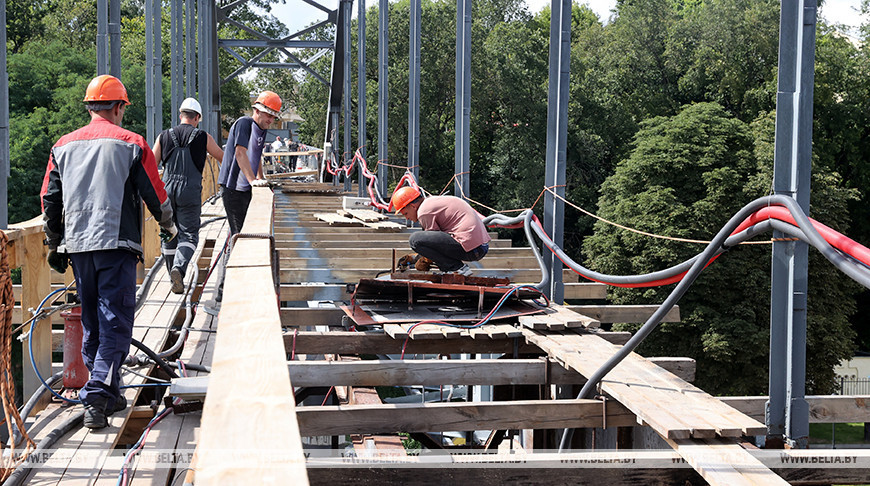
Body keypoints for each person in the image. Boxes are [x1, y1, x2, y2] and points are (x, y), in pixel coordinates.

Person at [40, 74, 176, 429]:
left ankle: (108, 390)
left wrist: (54, 241)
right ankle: (98, 395)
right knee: (115, 320)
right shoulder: (131, 143)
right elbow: (155, 193)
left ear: (89, 107)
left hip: (79, 247)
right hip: (116, 244)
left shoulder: (63, 145)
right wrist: (170, 227)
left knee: (93, 321)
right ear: (118, 107)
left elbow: (49, 199)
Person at [152, 97, 224, 294]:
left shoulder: (164, 136)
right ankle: (179, 268)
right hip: (190, 190)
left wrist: (147, 192)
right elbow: (222, 158)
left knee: (168, 232)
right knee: (189, 235)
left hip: (166, 190)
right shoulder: (203, 137)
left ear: (181, 115)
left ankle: (171, 276)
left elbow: (150, 165)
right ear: (197, 117)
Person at [216, 90, 281, 235]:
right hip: (232, 187)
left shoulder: (262, 129)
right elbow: (240, 153)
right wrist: (253, 180)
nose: (271, 120)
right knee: (239, 233)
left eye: (273, 117)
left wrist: (260, 178)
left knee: (246, 227)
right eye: (268, 115)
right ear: (257, 111)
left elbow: (256, 155)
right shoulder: (244, 123)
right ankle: (232, 256)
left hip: (245, 188)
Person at [389, 186, 490, 276]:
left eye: (406, 213)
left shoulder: (424, 211)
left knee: (414, 240)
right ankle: (453, 268)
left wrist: (426, 260)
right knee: (421, 238)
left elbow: (433, 245)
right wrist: (418, 258)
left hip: (472, 248)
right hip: (479, 247)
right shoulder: (432, 203)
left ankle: (456, 268)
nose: (407, 218)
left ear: (413, 206)